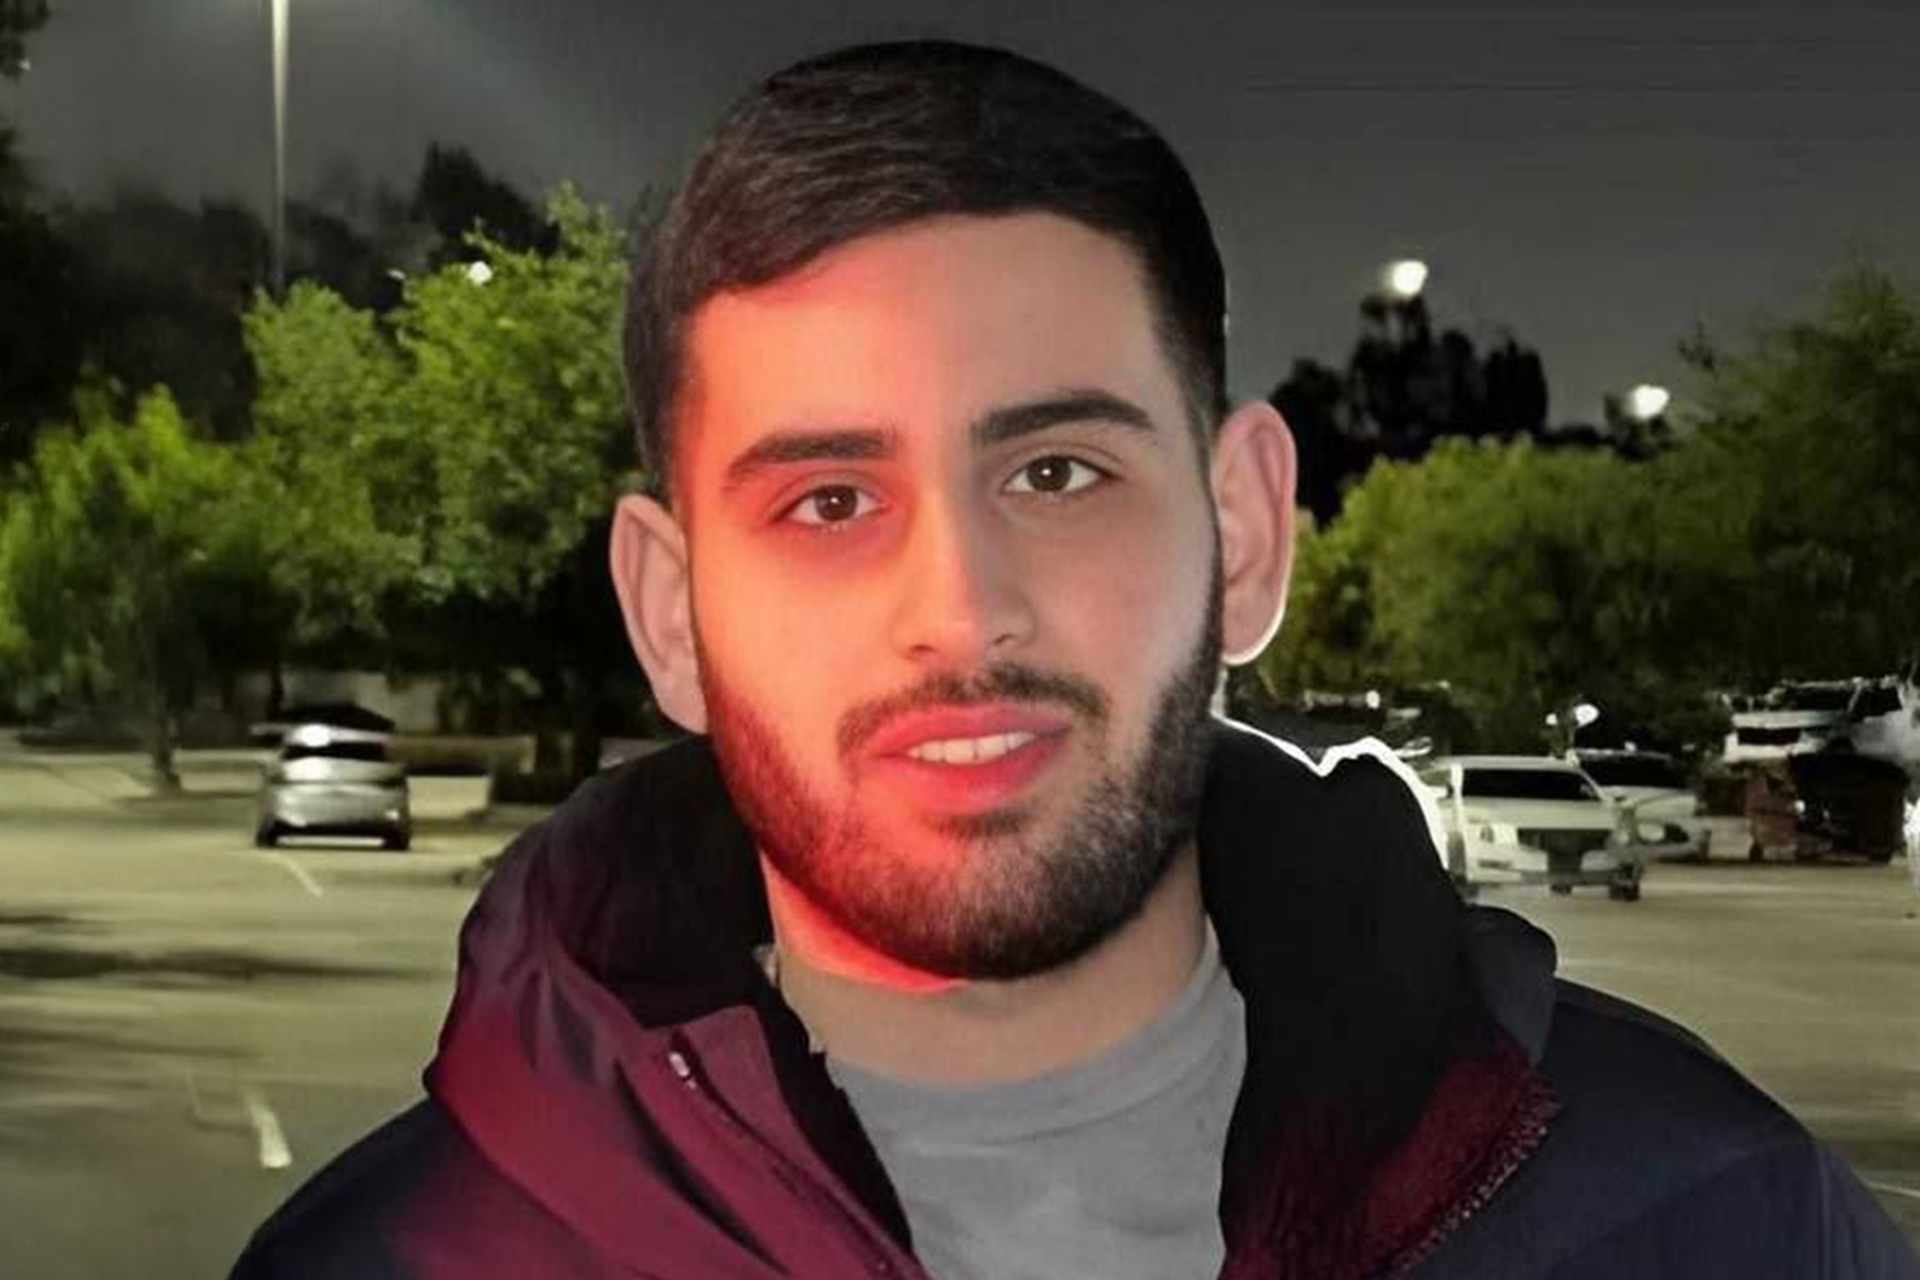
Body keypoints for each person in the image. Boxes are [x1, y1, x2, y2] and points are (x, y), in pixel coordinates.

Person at [231, 41, 1919, 1279]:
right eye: (830, 501)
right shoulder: (390, 1265)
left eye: (1056, 474)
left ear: (1244, 531)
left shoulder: (1712, 1219)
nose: (964, 613)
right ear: (669, 611)